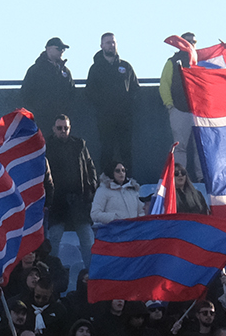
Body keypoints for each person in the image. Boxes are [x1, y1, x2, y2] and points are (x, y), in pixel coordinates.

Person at [45, 115, 97, 270]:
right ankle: (51, 276)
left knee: (87, 239)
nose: (63, 131)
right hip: (57, 202)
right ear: (54, 129)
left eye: (66, 128)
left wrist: (90, 189)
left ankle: (92, 275)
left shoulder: (79, 145)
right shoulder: (47, 146)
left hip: (78, 200)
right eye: (60, 128)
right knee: (53, 240)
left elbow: (90, 168)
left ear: (70, 128)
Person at [84, 33, 137, 174]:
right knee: (107, 149)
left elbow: (135, 89)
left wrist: (127, 105)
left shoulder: (126, 67)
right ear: (101, 46)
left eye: (113, 42)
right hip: (105, 118)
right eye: (107, 43)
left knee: (126, 150)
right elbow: (89, 91)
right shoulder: (95, 69)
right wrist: (103, 105)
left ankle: (128, 180)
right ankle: (106, 178)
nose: (111, 45)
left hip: (124, 118)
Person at [159, 34, 199, 181]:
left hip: (199, 112)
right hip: (179, 110)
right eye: (188, 41)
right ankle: (179, 178)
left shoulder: (200, 62)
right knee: (180, 147)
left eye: (194, 41)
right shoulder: (172, 62)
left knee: (200, 148)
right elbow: (164, 85)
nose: (191, 44)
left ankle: (202, 178)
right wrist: (170, 106)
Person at [20, 37, 75, 133]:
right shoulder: (35, 70)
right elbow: (26, 94)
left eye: (63, 49)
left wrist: (67, 111)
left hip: (61, 120)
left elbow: (72, 93)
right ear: (48, 49)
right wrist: (38, 110)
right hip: (42, 119)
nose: (61, 51)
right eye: (58, 48)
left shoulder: (65, 71)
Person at [90, 162, 141, 230]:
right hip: (113, 233)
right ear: (111, 172)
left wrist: (139, 222)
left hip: (133, 231)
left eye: (123, 170)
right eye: (117, 171)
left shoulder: (132, 190)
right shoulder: (103, 190)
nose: (121, 173)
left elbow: (141, 211)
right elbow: (95, 214)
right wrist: (114, 218)